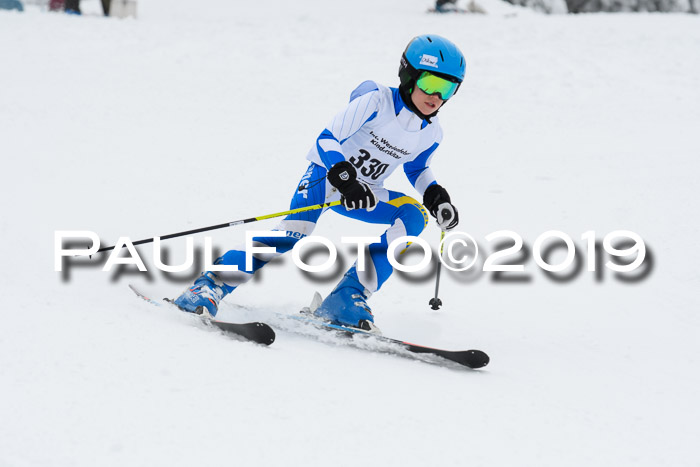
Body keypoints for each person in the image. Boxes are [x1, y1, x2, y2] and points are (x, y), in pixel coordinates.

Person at [173, 34, 465, 333]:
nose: (437, 97)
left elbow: (417, 168)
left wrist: (436, 195)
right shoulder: (376, 100)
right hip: (327, 177)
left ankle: (347, 297)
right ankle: (209, 285)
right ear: (409, 75)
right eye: (431, 84)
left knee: (414, 214)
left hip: (366, 192)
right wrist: (345, 178)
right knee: (292, 235)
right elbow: (327, 139)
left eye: (448, 89)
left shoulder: (432, 132)